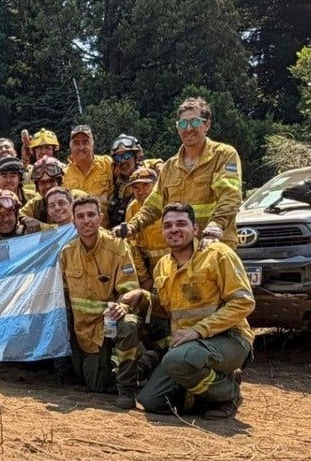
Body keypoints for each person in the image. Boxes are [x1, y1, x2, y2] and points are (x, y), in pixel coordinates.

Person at [121, 203, 254, 419]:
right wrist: (142, 297)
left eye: (181, 224)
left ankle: (228, 394)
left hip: (229, 339)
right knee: (151, 400)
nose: (174, 229)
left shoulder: (218, 254)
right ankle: (205, 393)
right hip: (185, 347)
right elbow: (166, 308)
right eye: (168, 225)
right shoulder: (163, 265)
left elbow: (243, 303)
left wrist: (199, 330)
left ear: (195, 229)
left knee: (177, 360)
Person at [115, 97, 243, 249]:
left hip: (216, 246)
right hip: (182, 250)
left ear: (206, 125)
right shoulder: (170, 166)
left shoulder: (224, 155)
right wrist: (131, 226)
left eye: (194, 122)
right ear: (177, 128)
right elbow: (153, 205)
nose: (188, 128)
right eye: (183, 124)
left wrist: (215, 227)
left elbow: (230, 196)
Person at [60, 195, 142, 409]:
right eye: (80, 216)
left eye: (90, 215)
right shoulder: (67, 253)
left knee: (129, 324)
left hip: (109, 324)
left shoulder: (118, 248)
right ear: (73, 221)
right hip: (83, 332)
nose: (86, 220)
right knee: (95, 385)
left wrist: (121, 306)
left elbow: (131, 288)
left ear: (100, 218)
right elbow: (63, 295)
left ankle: (130, 383)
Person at [123, 168, 168, 289]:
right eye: (136, 188)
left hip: (176, 262)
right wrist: (143, 277)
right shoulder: (132, 208)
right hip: (151, 268)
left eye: (145, 186)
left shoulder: (168, 203)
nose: (141, 191)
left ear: (155, 186)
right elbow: (131, 245)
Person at [63, 125, 114, 225]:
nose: (81, 147)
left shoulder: (107, 164)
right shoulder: (63, 173)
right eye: (76, 143)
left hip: (107, 230)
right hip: (77, 234)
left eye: (85, 142)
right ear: (70, 145)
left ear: (92, 143)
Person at [21, 156, 87, 225]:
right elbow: (19, 216)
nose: (48, 186)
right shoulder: (35, 204)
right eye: (42, 183)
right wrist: (26, 220)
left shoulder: (78, 197)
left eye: (51, 181)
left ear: (60, 181)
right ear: (37, 187)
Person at [107, 134, 147, 227]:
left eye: (127, 155)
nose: (122, 161)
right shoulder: (115, 179)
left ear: (136, 156)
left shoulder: (148, 177)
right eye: (118, 158)